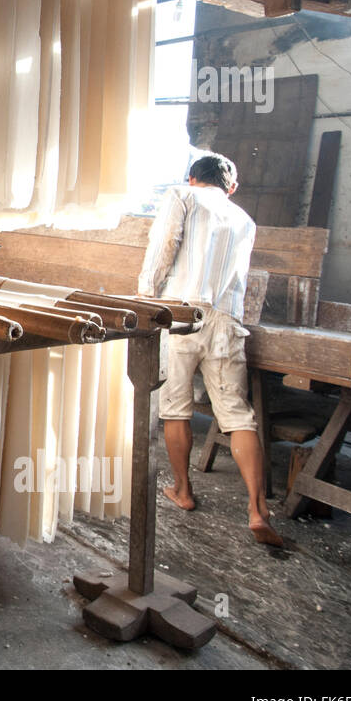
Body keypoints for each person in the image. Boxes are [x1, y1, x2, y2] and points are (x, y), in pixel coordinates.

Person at [137, 152, 283, 546]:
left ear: (192, 176)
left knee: (175, 407)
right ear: (231, 187)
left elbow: (165, 243)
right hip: (227, 320)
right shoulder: (245, 220)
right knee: (238, 416)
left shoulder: (182, 195)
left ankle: (183, 491)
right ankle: (257, 509)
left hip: (182, 312)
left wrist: (145, 297)